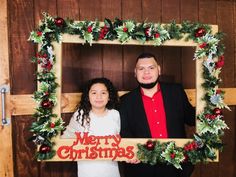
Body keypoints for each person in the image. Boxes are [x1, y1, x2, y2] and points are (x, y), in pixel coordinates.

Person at [119, 52, 195, 177]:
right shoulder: (125, 101)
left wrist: (209, 110)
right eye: (141, 69)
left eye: (151, 68)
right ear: (135, 73)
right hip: (142, 168)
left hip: (176, 165)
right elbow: (124, 134)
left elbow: (191, 119)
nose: (146, 72)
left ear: (159, 70)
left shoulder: (176, 91)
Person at [62, 77, 121, 177]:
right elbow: (65, 139)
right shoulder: (80, 115)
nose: (99, 97)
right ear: (88, 96)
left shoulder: (115, 115)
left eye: (103, 93)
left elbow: (119, 142)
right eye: (94, 93)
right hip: (87, 171)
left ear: (109, 96)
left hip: (111, 170)